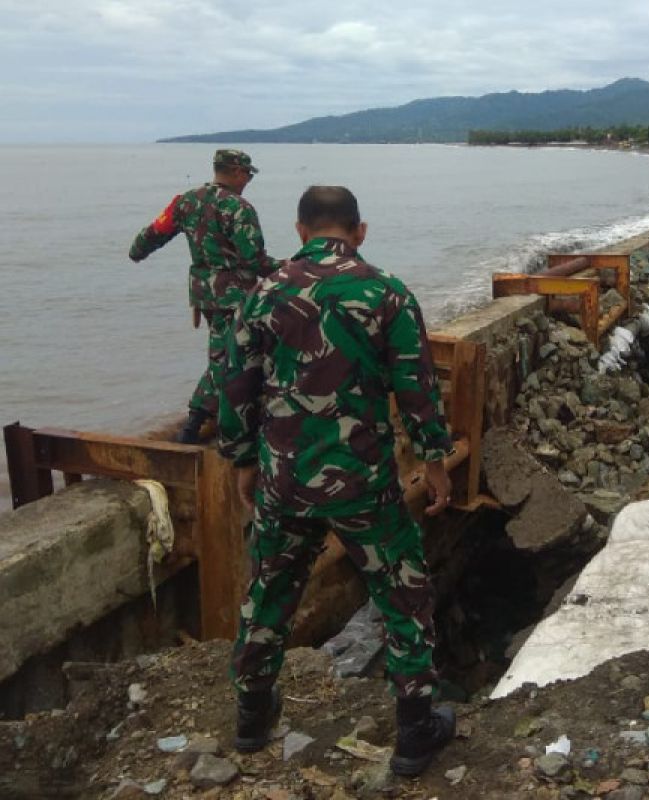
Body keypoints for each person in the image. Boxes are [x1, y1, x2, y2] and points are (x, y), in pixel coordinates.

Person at [217, 186, 456, 776]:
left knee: (268, 594)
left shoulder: (262, 292)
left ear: (299, 230)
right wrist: (434, 460)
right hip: (364, 485)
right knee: (404, 596)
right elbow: (416, 386)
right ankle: (415, 731)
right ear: (360, 231)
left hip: (284, 482)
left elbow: (235, 384)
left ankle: (250, 718)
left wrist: (243, 459)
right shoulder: (387, 292)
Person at [129, 149, 281, 443]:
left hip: (204, 296)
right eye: (248, 174)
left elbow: (151, 236)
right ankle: (196, 422)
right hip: (235, 296)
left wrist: (136, 252)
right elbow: (255, 261)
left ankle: (224, 417)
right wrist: (290, 268)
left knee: (227, 352)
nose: (249, 180)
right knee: (226, 358)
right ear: (236, 172)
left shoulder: (186, 202)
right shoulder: (239, 208)